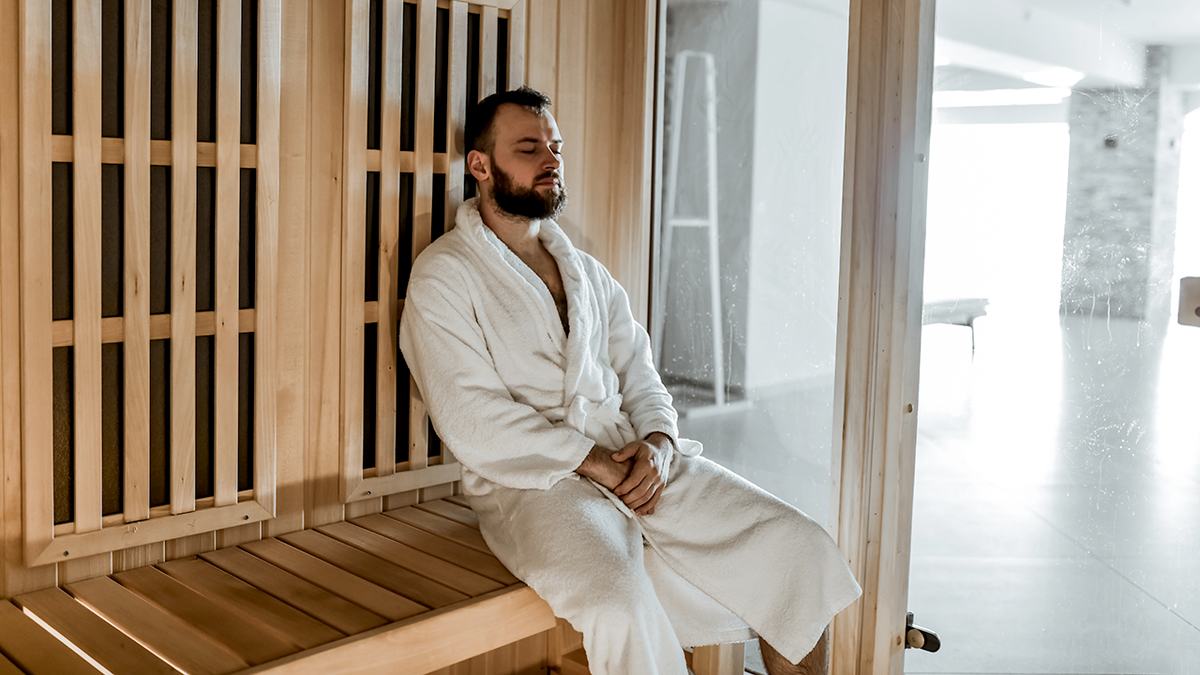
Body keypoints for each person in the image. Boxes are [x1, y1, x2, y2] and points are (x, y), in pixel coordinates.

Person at [398, 86, 861, 675]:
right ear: (481, 166)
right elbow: (471, 418)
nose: (551, 160)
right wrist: (590, 460)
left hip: (630, 459)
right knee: (619, 602)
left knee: (797, 548)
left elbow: (642, 376)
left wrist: (661, 446)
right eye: (529, 147)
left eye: (556, 147)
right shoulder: (445, 275)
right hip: (537, 482)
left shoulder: (586, 271)